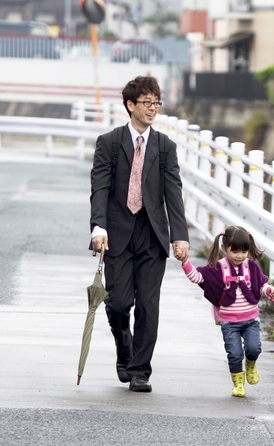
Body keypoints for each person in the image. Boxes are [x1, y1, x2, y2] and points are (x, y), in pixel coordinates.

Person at [90, 75, 190, 393]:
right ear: (130, 105)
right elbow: (100, 188)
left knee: (148, 303)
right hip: (117, 233)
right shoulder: (109, 143)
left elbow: (173, 192)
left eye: (156, 103)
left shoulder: (165, 148)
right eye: (146, 102)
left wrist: (180, 235)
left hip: (152, 234)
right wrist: (98, 227)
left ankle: (140, 370)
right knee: (118, 303)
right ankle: (125, 350)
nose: (152, 109)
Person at [174, 226, 274, 397]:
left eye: (244, 251)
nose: (240, 256)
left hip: (251, 319)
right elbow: (197, 277)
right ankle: (238, 383)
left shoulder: (251, 267)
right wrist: (185, 262)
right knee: (234, 353)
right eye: (235, 251)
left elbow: (261, 286)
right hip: (229, 322)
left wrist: (269, 291)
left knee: (254, 348)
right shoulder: (217, 268)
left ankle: (251, 364)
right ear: (224, 248)